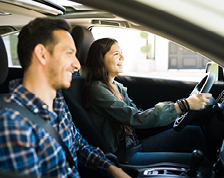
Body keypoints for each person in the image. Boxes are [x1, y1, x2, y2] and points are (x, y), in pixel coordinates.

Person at [0, 18, 131, 178]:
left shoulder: (58, 102)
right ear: (42, 54)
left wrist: (112, 169)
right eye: (69, 53)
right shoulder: (12, 124)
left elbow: (78, 146)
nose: (77, 64)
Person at [83, 38, 213, 165]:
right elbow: (136, 118)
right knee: (198, 161)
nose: (122, 57)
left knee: (193, 132)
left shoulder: (116, 86)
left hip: (134, 144)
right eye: (116, 54)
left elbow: (139, 113)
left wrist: (177, 108)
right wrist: (183, 105)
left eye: (122, 52)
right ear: (100, 59)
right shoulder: (98, 89)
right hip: (125, 154)